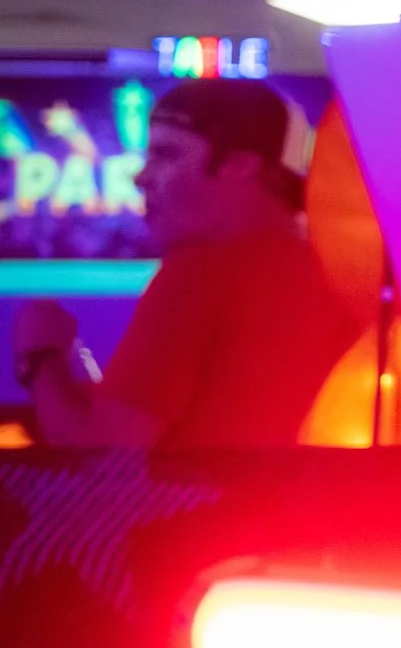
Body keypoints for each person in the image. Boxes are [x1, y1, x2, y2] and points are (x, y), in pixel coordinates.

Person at [10, 80, 356, 447]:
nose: (141, 177)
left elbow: (102, 451)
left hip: (212, 490)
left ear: (239, 166)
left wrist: (42, 355)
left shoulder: (202, 273)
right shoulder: (339, 276)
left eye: (165, 154)